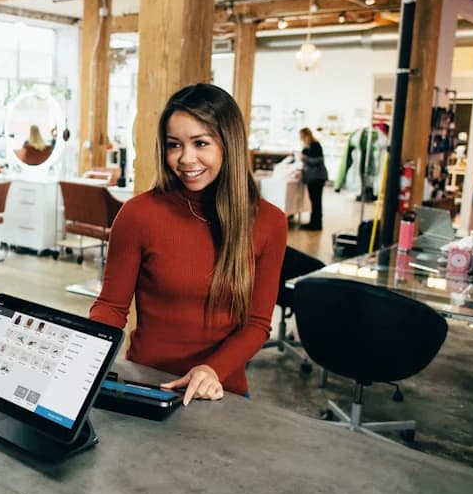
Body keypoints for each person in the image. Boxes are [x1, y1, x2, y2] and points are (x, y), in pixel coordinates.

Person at [89, 84, 287, 402]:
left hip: (220, 390)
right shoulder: (139, 214)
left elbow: (257, 323)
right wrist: (85, 351)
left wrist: (211, 370)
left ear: (229, 144)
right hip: (147, 384)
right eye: (174, 145)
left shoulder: (269, 223)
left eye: (200, 143)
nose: (185, 158)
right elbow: (111, 307)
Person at [298, 127, 328, 230]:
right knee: (314, 201)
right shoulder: (307, 147)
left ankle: (316, 224)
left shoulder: (315, 145)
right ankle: (314, 222)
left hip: (317, 178)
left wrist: (305, 159)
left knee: (316, 201)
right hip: (312, 178)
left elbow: (319, 161)